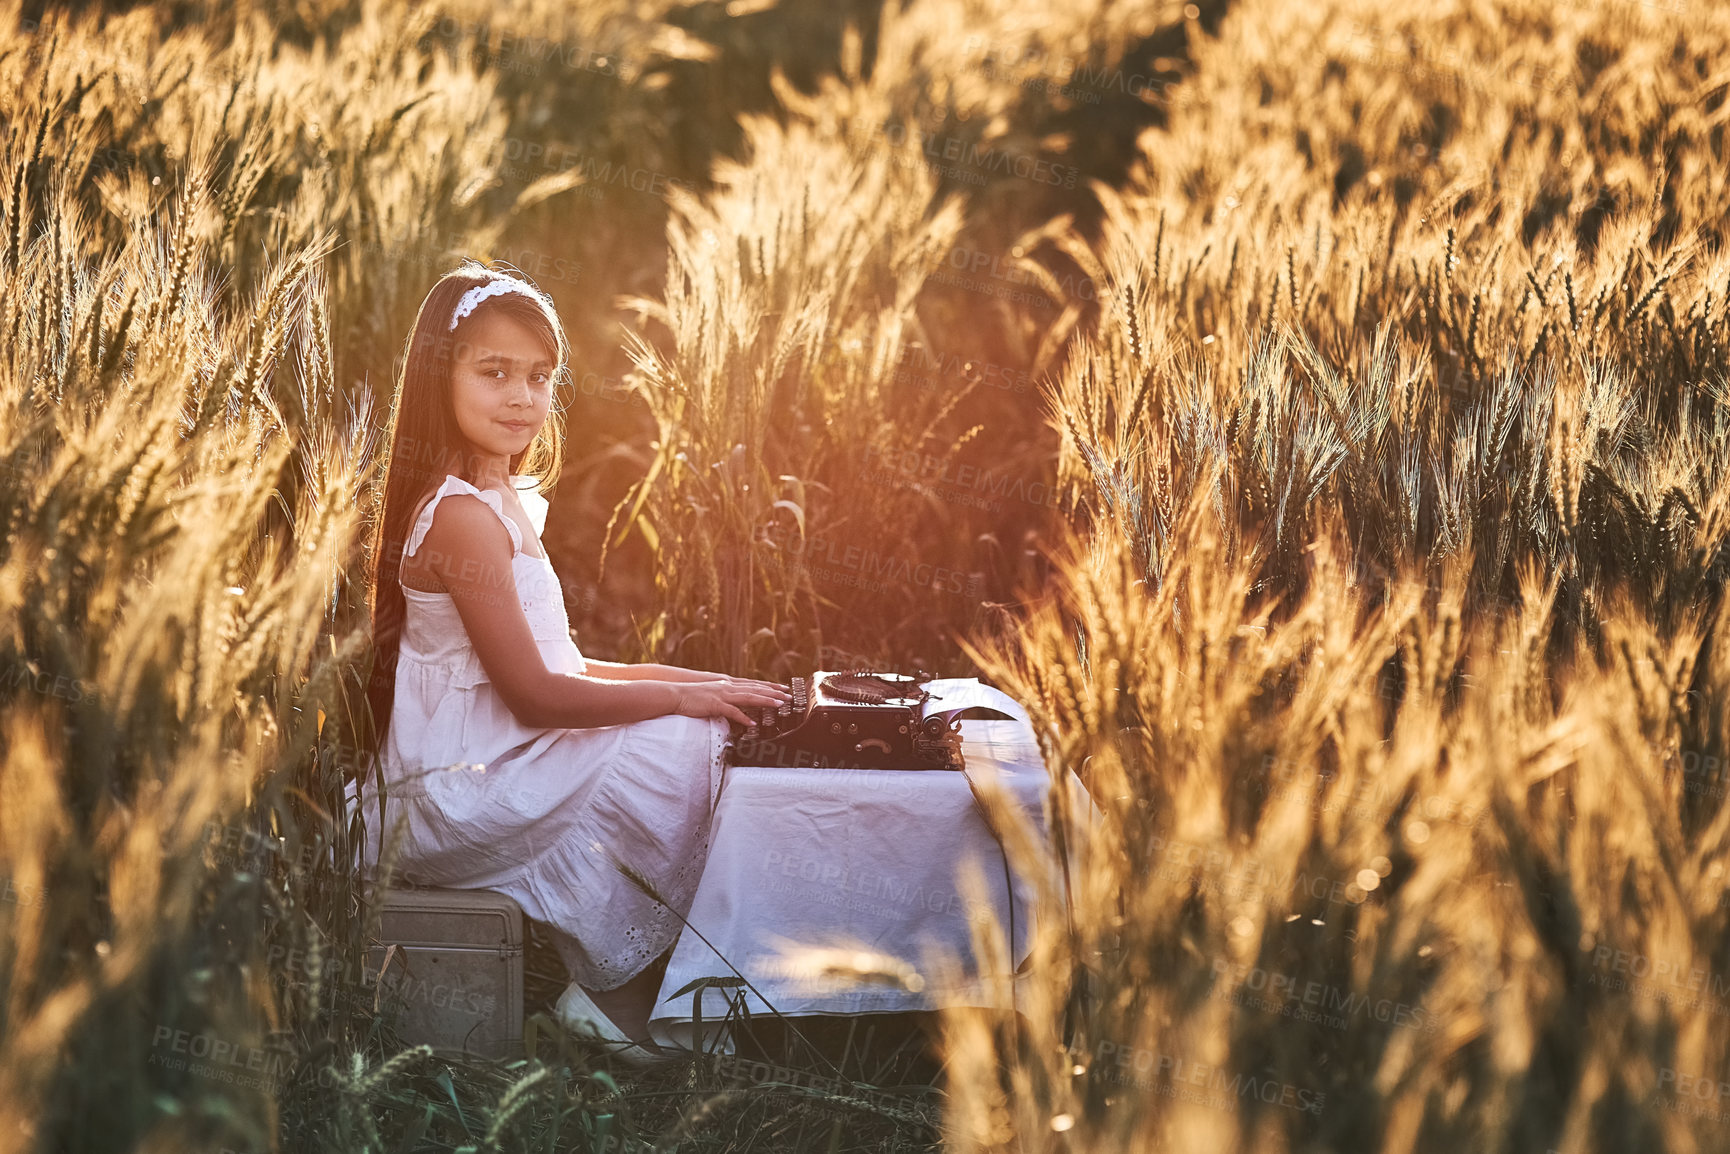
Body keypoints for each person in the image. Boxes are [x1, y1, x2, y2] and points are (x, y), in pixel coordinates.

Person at [358, 260, 790, 1062]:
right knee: (673, 748)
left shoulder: (500, 504)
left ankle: (657, 984)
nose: (522, 397)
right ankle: (617, 997)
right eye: (494, 374)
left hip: (502, 752)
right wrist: (679, 706)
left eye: (539, 377)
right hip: (457, 784)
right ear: (437, 377)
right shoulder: (458, 519)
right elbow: (537, 697)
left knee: (698, 727)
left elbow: (566, 663)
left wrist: (697, 683)